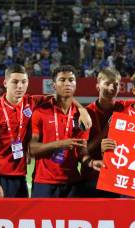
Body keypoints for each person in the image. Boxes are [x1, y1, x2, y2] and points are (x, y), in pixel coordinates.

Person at [0, 64, 92, 198]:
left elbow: (62, 96)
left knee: (20, 219)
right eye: (15, 82)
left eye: (23, 82)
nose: (19, 86)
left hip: (21, 176)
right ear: (5, 83)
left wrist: (82, 110)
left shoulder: (31, 102)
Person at [29, 65, 91, 198]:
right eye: (62, 80)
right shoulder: (40, 112)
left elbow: (82, 150)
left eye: (71, 80)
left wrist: (89, 161)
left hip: (73, 182)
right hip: (44, 182)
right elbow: (32, 149)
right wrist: (59, 144)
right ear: (54, 85)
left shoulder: (81, 116)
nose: (67, 83)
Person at [78, 68, 124, 198]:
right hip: (91, 177)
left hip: (116, 180)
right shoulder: (86, 113)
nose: (111, 88)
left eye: (115, 85)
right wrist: (107, 130)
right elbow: (82, 150)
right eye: (107, 83)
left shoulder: (124, 108)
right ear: (98, 86)